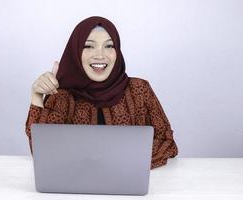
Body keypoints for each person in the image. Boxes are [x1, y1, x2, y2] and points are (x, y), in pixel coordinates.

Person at [25, 16, 178, 169]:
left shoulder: (140, 90)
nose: (100, 55)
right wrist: (36, 95)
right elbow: (42, 152)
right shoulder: (62, 96)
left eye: (109, 46)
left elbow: (166, 141)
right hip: (76, 189)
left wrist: (122, 165)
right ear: (76, 52)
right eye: (89, 46)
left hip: (126, 184)